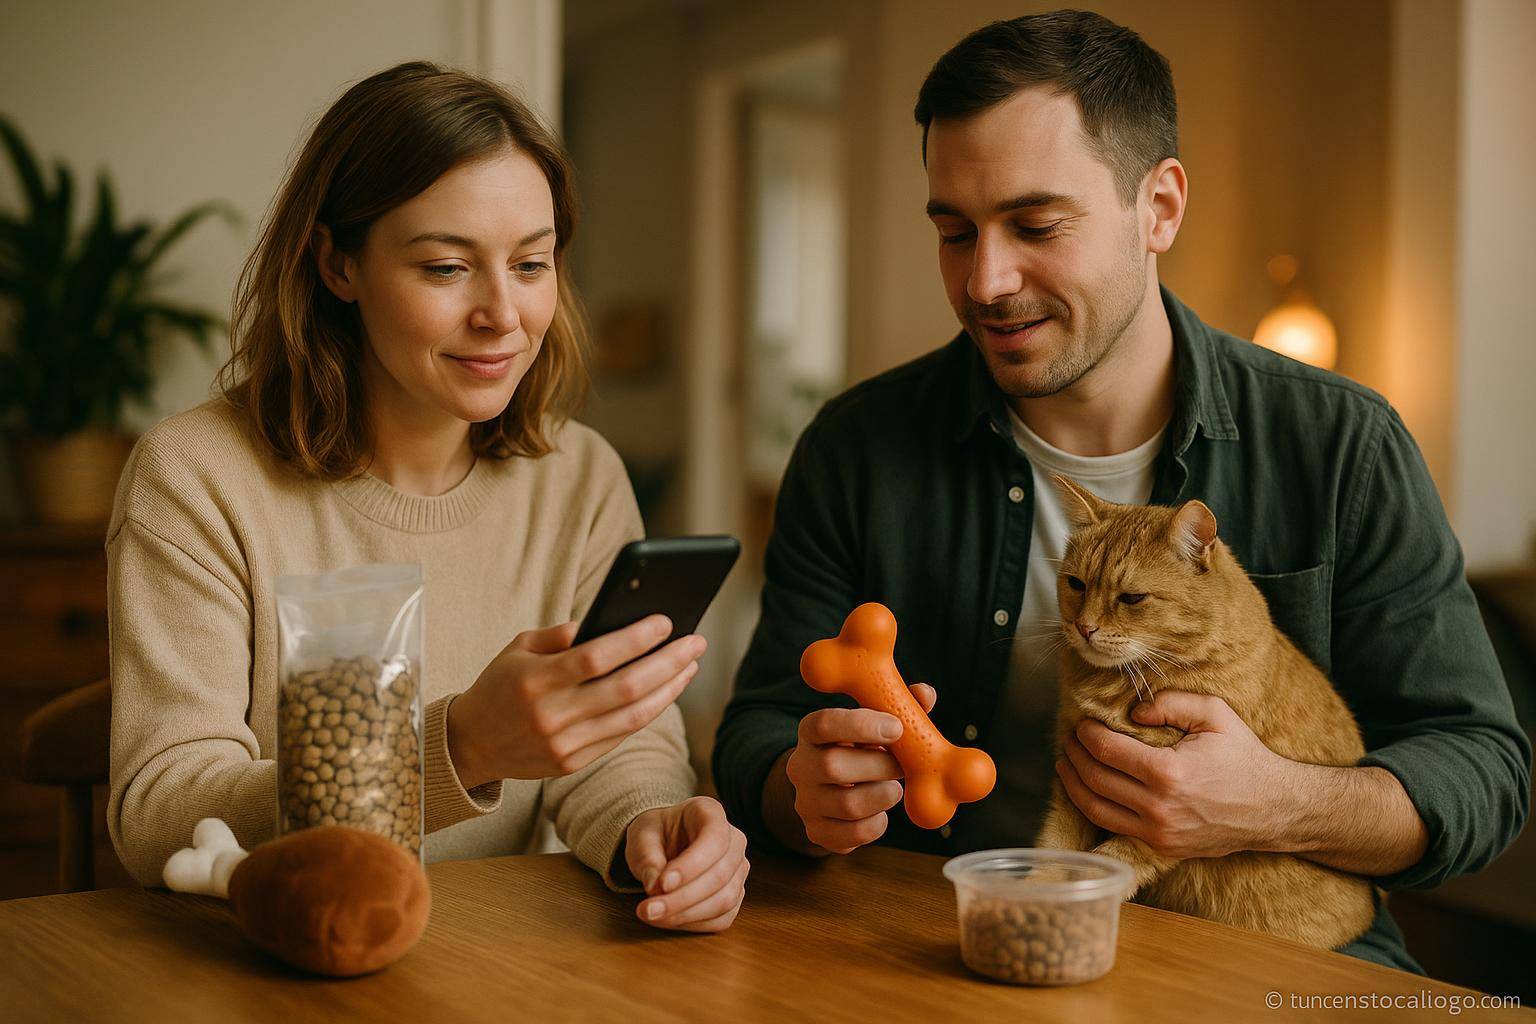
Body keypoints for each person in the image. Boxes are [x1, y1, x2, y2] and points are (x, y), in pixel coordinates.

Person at [713, 11, 1529, 968]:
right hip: (946, 946)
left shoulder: (1341, 443)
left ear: (1161, 208)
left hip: (1275, 963)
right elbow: (753, 738)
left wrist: (1272, 801)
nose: (986, 280)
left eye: (1036, 225)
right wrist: (799, 790)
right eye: (953, 231)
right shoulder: (857, 450)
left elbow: (1485, 774)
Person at [109, 61, 747, 933]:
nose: (503, 314)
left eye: (531, 263)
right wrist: (458, 747)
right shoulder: (197, 478)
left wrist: (653, 824)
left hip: (495, 962)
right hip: (264, 960)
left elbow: (614, 748)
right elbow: (161, 816)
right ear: (338, 264)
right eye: (447, 268)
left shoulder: (580, 478)